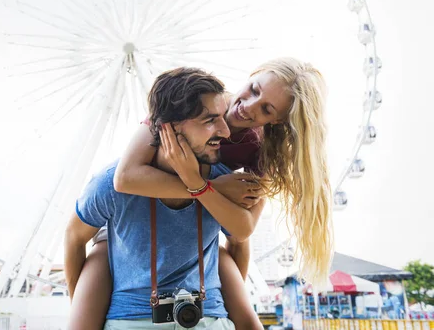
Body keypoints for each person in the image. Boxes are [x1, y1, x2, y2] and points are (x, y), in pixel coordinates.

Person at [69, 58, 334, 329]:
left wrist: (203, 188)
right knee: (96, 271)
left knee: (230, 270)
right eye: (254, 89)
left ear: (277, 121)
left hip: (202, 221)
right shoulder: (194, 103)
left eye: (266, 109)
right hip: (140, 213)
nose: (248, 107)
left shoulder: (260, 150)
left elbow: (242, 231)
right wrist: (208, 188)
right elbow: (125, 178)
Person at [65, 67, 262, 329]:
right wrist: (78, 308)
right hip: (131, 317)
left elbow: (239, 241)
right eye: (209, 120)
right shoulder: (111, 185)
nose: (226, 132)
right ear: (169, 127)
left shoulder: (227, 183)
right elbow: (74, 237)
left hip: (209, 316)